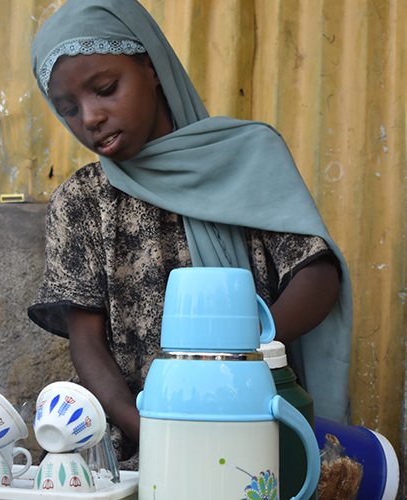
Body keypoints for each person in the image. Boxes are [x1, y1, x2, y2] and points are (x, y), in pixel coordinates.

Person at [27, 0, 352, 470]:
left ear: (151, 67)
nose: (90, 117)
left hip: (253, 418)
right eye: (68, 108)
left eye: (105, 89)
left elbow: (317, 274)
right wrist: (146, 423)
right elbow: (87, 340)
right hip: (141, 435)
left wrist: (243, 357)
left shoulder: (246, 160)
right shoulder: (81, 202)